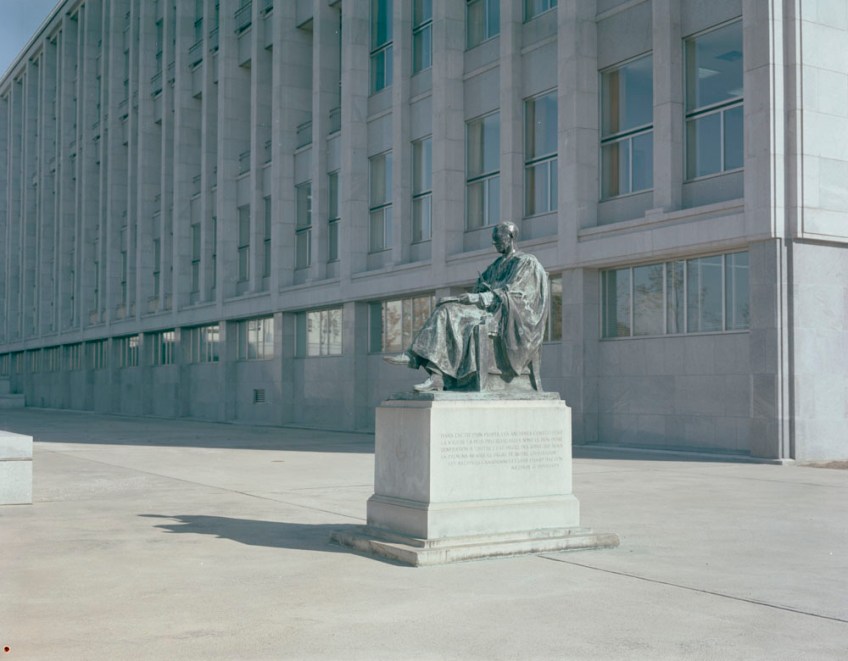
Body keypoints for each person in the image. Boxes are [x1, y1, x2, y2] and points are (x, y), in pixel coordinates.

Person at [384, 221, 549, 392]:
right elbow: (480, 288)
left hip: (505, 317)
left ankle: (422, 364)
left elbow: (516, 294)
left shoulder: (526, 262)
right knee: (446, 307)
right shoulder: (496, 265)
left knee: (450, 314)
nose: (494, 243)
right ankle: (434, 374)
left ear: (511, 237)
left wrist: (477, 297)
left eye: (498, 239)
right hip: (486, 311)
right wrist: (467, 296)